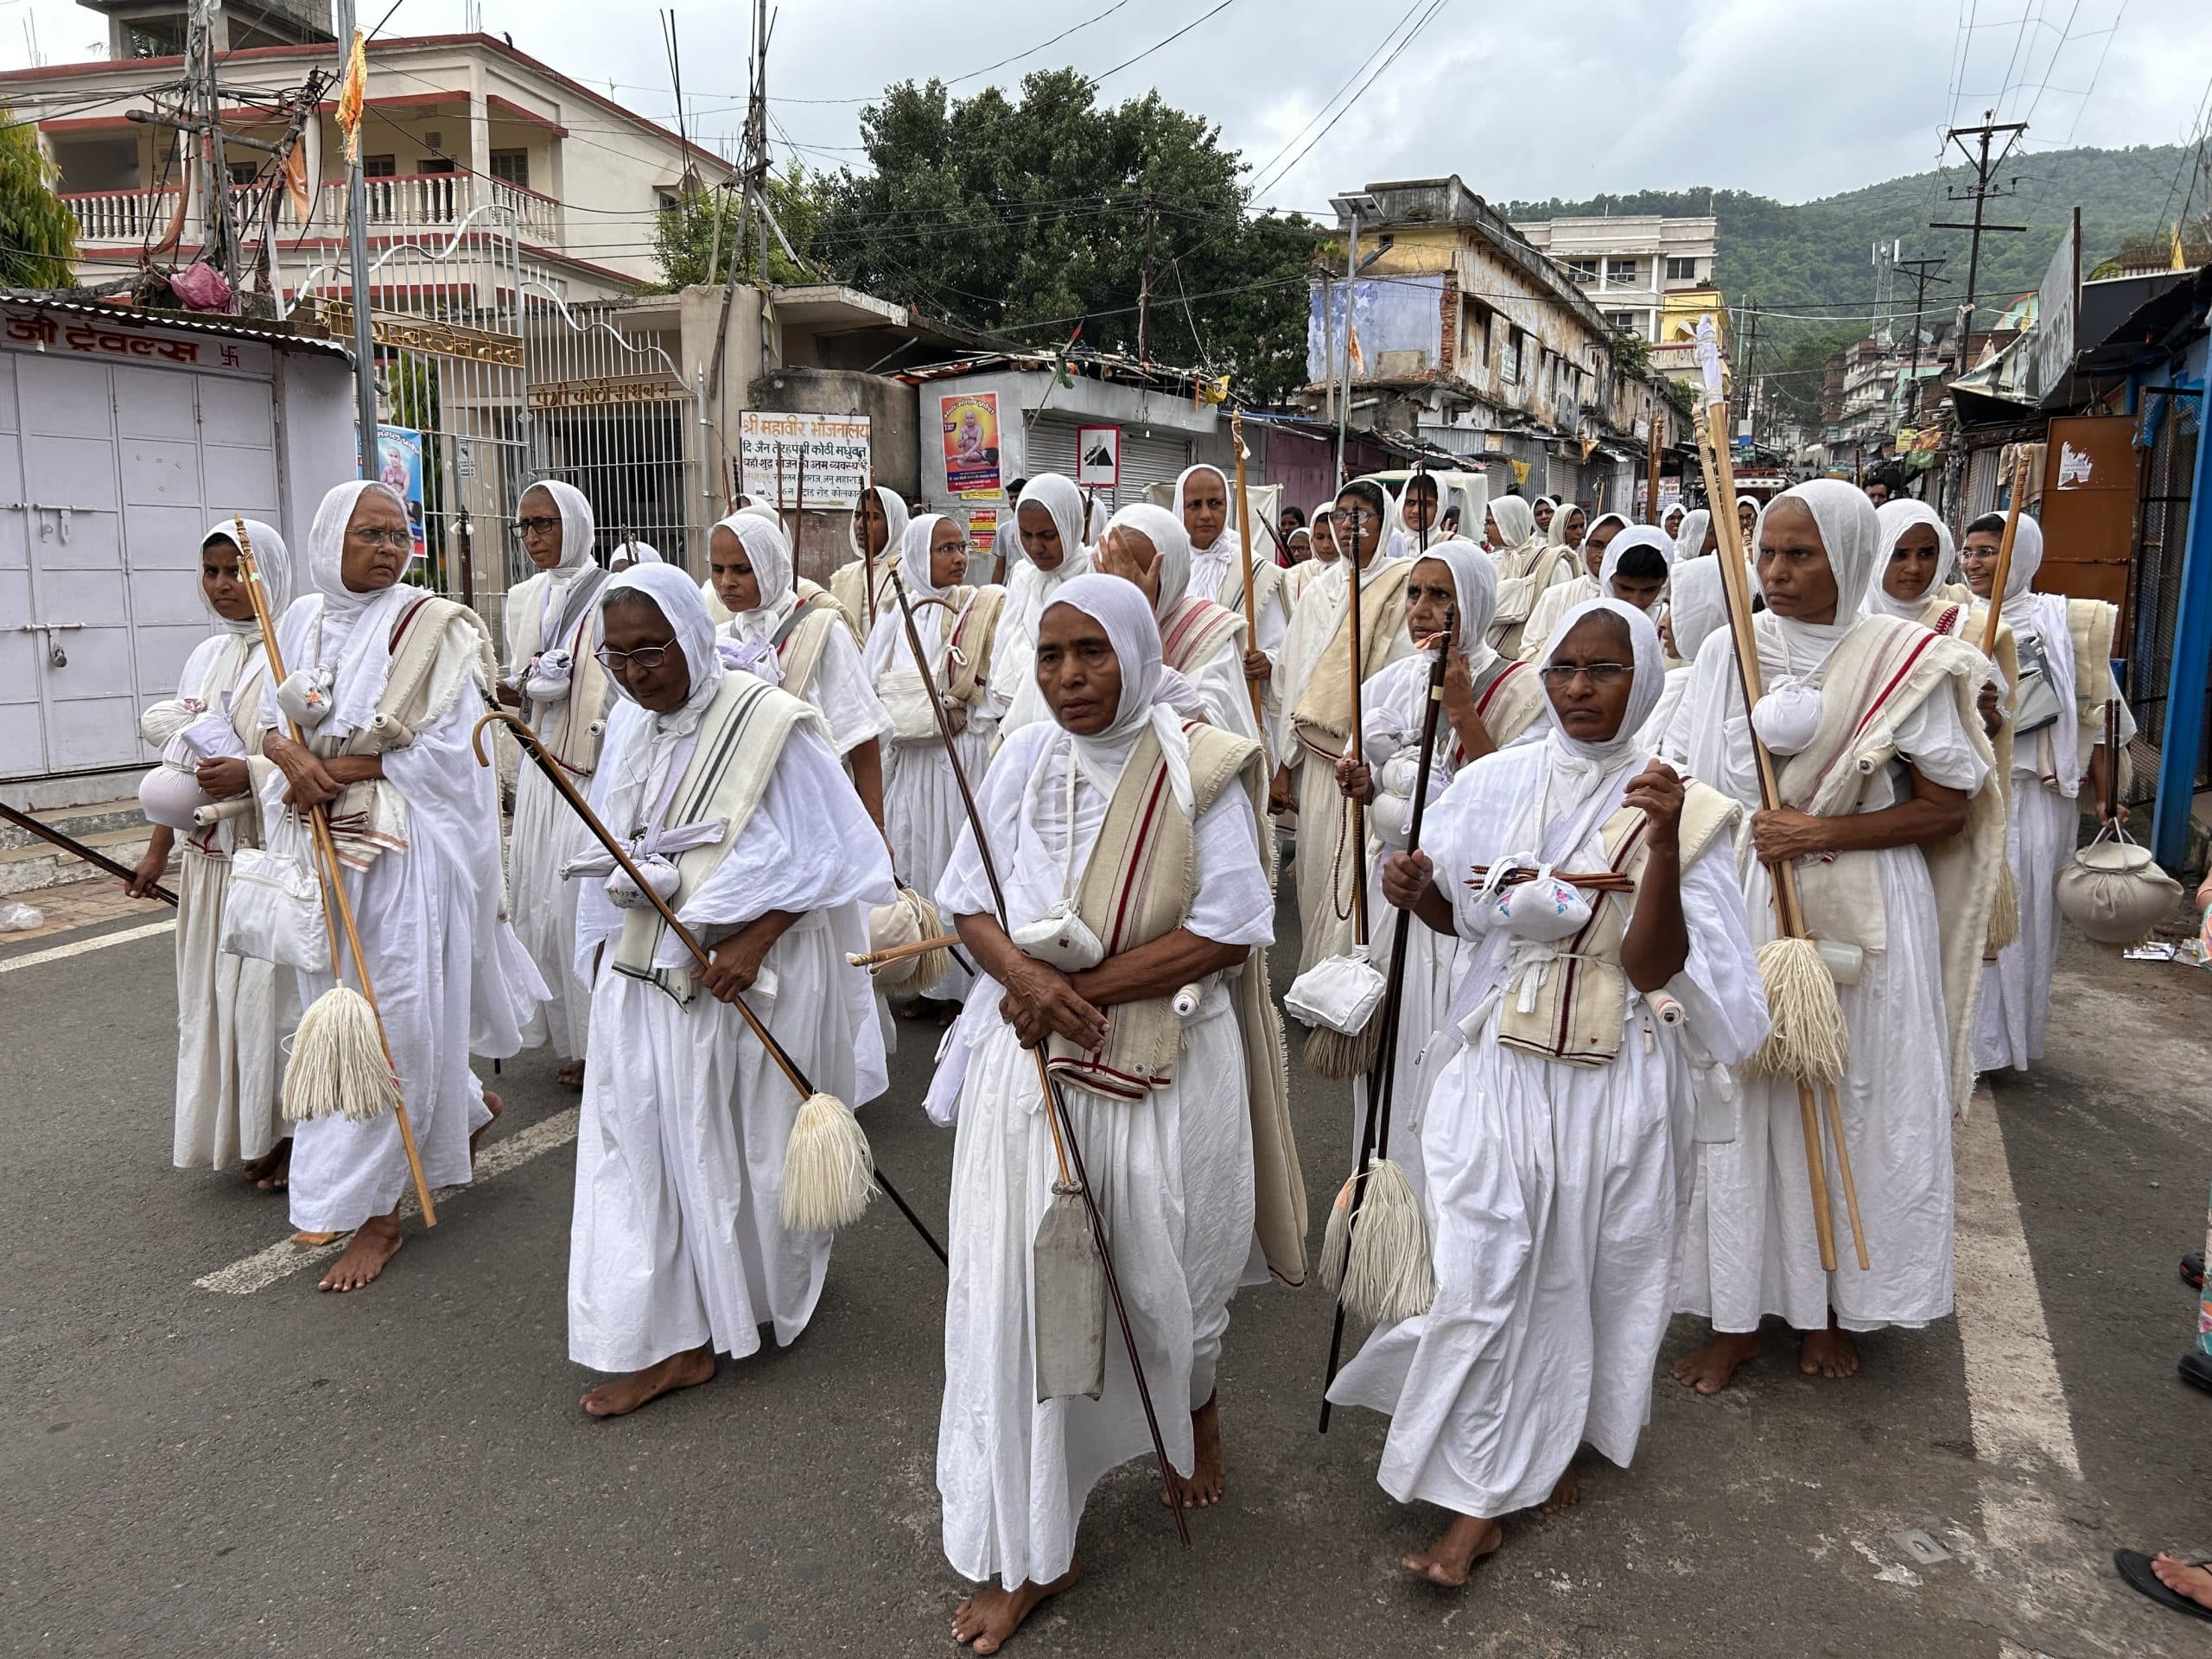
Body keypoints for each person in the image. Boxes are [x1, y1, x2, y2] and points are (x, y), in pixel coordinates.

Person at [1331, 598, 1766, 1586]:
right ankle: (1483, 1492)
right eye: (1563, 668)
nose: (1577, 689)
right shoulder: (1494, 782)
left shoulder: (1683, 808)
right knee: (1485, 1268)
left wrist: (1661, 849)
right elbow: (1463, 922)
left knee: (1581, 1273)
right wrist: (1417, 893)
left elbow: (1655, 966)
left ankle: (1538, 1449)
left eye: (1604, 670)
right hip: (1503, 1058)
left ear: (1643, 680)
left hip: (1614, 1079)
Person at [928, 573, 1300, 1651]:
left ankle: (1194, 1412)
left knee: (1162, 1277)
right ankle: (1040, 1543)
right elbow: (966, 900)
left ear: (1136, 653)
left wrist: (1070, 990)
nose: (1068, 677)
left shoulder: (1201, 766)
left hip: (1162, 1066)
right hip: (1032, 1065)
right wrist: (1020, 978)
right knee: (1025, 1293)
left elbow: (1229, 927)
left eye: (1090, 652)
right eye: (1050, 656)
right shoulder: (1022, 756)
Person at [1670, 480, 2004, 1391]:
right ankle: (1736, 1316)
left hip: (1863, 904)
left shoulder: (1900, 658)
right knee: (1741, 1101)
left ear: (1848, 559)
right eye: (1768, 554)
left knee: (1847, 1098)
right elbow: (1692, 778)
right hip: (1746, 892)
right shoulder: (1727, 651)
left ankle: (1829, 1308)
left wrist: (1821, 831)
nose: (1777, 573)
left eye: (1800, 554)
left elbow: (1948, 804)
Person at [566, 563, 895, 1417]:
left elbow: (837, 848)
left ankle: (744, 1295)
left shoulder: (767, 721)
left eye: (652, 651)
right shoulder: (634, 726)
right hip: (648, 970)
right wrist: (603, 948)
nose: (636, 674)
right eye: (617, 657)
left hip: (749, 980)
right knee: (642, 1145)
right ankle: (673, 1333)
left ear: (690, 636)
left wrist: (753, 938)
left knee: (737, 1146)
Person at [259, 480, 546, 1292]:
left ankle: (379, 1214)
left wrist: (332, 768)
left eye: (398, 534)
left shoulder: (433, 626)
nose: (389, 548)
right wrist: (287, 756)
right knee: (336, 1019)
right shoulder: (300, 621)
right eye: (370, 534)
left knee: (397, 1025)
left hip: (405, 860)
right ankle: (460, 1112)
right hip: (321, 850)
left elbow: (454, 755)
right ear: (329, 541)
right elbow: (267, 722)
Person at [1331, 542, 1545, 1201]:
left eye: (1441, 596)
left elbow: (1513, 804)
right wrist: (1363, 784)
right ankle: (1384, 1210)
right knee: (1390, 1061)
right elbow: (1373, 779)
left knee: (1448, 1072)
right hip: (1397, 893)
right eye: (1415, 593)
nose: (1422, 610)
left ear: (1474, 602)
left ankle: (1442, 1217)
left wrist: (1461, 711)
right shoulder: (1392, 680)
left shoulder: (1522, 689)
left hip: (1462, 912)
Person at [130, 518, 297, 1185]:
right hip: (206, 865)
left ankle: (289, 1133)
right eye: (212, 572)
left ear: (271, 574)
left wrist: (250, 773)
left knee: (267, 1005)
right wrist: (157, 850)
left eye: (238, 571)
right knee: (212, 1004)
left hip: (267, 864)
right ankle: (242, 1131)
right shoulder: (205, 655)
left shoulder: (292, 655)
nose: (224, 585)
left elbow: (311, 760)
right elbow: (182, 758)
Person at [1960, 511, 2132, 1075]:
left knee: (2024, 917)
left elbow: (2099, 717)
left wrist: (2104, 797)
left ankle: (2000, 1046)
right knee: (1963, 914)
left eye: (1989, 551)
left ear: (2023, 557)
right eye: (1969, 551)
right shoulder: (1953, 619)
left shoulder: (2064, 623)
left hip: (2037, 797)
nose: (1975, 563)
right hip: (1968, 791)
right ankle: (1959, 1043)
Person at [1270, 479, 1418, 975]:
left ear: (1384, 521)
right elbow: (1293, 677)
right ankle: (1316, 981)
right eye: (1340, 516)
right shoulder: (1319, 589)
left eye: (1361, 516)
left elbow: (1403, 676)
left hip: (1372, 765)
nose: (1348, 526)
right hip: (1318, 759)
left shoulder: (1401, 583)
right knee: (1317, 875)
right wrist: (1285, 763)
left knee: (1361, 876)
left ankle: (1355, 983)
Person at [861, 512, 1006, 1017]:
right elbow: (870, 687)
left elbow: (997, 683)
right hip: (911, 763)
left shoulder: (980, 609)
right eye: (945, 549)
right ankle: (922, 981)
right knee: (918, 863)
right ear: (919, 556)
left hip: (959, 761)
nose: (959, 558)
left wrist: (967, 709)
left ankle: (962, 990)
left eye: (961, 547)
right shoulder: (894, 615)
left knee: (958, 867)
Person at [498, 479, 611, 1089]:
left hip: (592, 770)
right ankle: (574, 1039)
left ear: (576, 525)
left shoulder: (613, 593)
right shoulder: (524, 598)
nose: (534, 536)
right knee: (541, 903)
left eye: (546, 523)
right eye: (525, 525)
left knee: (580, 908)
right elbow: (520, 681)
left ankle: (604, 1046)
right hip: (542, 768)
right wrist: (516, 687)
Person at [709, 512, 891, 827]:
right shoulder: (722, 639)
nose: (726, 582)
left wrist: (876, 827)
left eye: (742, 570)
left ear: (770, 566)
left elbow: (861, 735)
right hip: (743, 814)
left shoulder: (822, 633)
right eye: (717, 569)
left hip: (814, 809)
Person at [1093, 503, 1262, 747]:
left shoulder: (1208, 632)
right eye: (1113, 575)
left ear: (1172, 576)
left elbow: (1209, 737)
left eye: (1138, 578)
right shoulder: (1084, 624)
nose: (1123, 593)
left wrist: (1145, 620)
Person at [1175, 464, 1288, 758]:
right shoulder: (1169, 565)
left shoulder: (1252, 569)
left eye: (1215, 503)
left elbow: (1281, 644)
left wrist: (1268, 661)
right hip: (1180, 706)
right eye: (1194, 505)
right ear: (1179, 508)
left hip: (1240, 706)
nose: (1205, 514)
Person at [987, 475, 1093, 741]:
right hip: (1022, 729)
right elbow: (1002, 648)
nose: (1035, 547)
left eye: (1048, 535)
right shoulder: (1024, 576)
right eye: (1025, 535)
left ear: (1071, 525)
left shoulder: (1095, 574)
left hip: (1080, 729)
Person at [1519, 511, 1628, 659]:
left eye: (1613, 547)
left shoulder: (1639, 600)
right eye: (1597, 545)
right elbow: (1529, 650)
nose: (1604, 554)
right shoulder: (1557, 596)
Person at [1487, 495, 1579, 658]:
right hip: (1491, 657)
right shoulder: (1491, 561)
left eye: (1491, 523)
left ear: (1510, 523)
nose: (1485, 530)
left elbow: (1560, 614)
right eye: (1486, 523)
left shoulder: (1552, 563)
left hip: (1532, 657)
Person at [830, 484, 912, 643]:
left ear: (894, 523)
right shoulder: (845, 575)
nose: (860, 525)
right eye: (857, 516)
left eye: (872, 517)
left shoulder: (910, 572)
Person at [1282, 503, 1343, 611]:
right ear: (1311, 537)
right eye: (1319, 537)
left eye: (1332, 537)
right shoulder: (1296, 574)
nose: (1326, 545)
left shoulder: (1351, 574)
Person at [988, 478, 1028, 585]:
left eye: (1017, 497)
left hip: (1036, 586)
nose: (1013, 501)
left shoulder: (1040, 527)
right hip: (1013, 587)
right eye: (1011, 498)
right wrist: (994, 592)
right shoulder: (1004, 530)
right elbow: (999, 568)